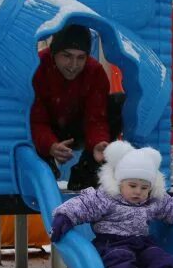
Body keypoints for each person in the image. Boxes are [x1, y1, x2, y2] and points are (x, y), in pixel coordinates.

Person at [30, 24, 112, 188]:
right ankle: (43, 166)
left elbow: (96, 118)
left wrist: (98, 142)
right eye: (67, 56)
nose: (73, 64)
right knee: (22, 123)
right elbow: (35, 119)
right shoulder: (37, 67)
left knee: (116, 104)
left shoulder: (95, 71)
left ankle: (86, 171)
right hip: (46, 127)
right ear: (54, 53)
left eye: (81, 57)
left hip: (78, 128)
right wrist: (50, 145)